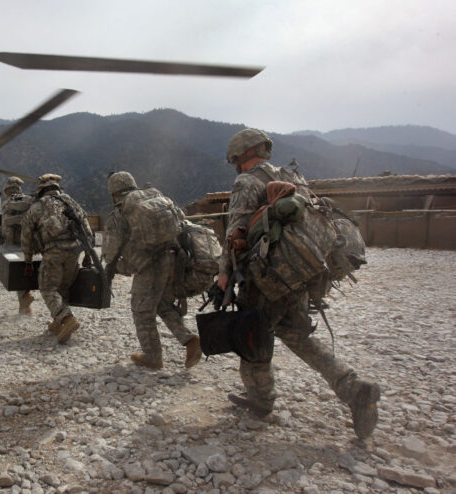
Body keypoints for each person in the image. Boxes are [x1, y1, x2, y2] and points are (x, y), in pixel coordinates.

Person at [217, 128, 380, 439]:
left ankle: (261, 400)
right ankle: (353, 388)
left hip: (267, 279)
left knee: (252, 335)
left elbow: (235, 235)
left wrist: (224, 275)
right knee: (298, 336)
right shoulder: (289, 178)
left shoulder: (245, 182)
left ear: (239, 156)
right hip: (301, 275)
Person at [103, 171, 202, 370]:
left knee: (141, 310)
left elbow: (112, 248)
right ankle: (190, 340)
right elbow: (181, 219)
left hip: (149, 265)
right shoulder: (155, 197)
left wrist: (112, 265)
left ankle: (152, 356)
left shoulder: (123, 210)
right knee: (163, 304)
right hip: (174, 257)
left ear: (113, 192)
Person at [20, 174, 92, 344]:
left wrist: (28, 261)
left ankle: (67, 320)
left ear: (41, 189)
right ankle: (57, 322)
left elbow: (26, 236)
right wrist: (88, 254)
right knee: (63, 288)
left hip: (53, 253)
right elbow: (86, 227)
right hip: (73, 253)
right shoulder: (71, 203)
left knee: (47, 288)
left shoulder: (37, 207)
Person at [1, 176, 36, 315]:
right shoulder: (28, 201)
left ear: (9, 190)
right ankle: (25, 306)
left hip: (13, 243)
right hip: (28, 242)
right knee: (27, 269)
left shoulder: (8, 202)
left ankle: (25, 299)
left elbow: (6, 223)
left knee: (16, 273)